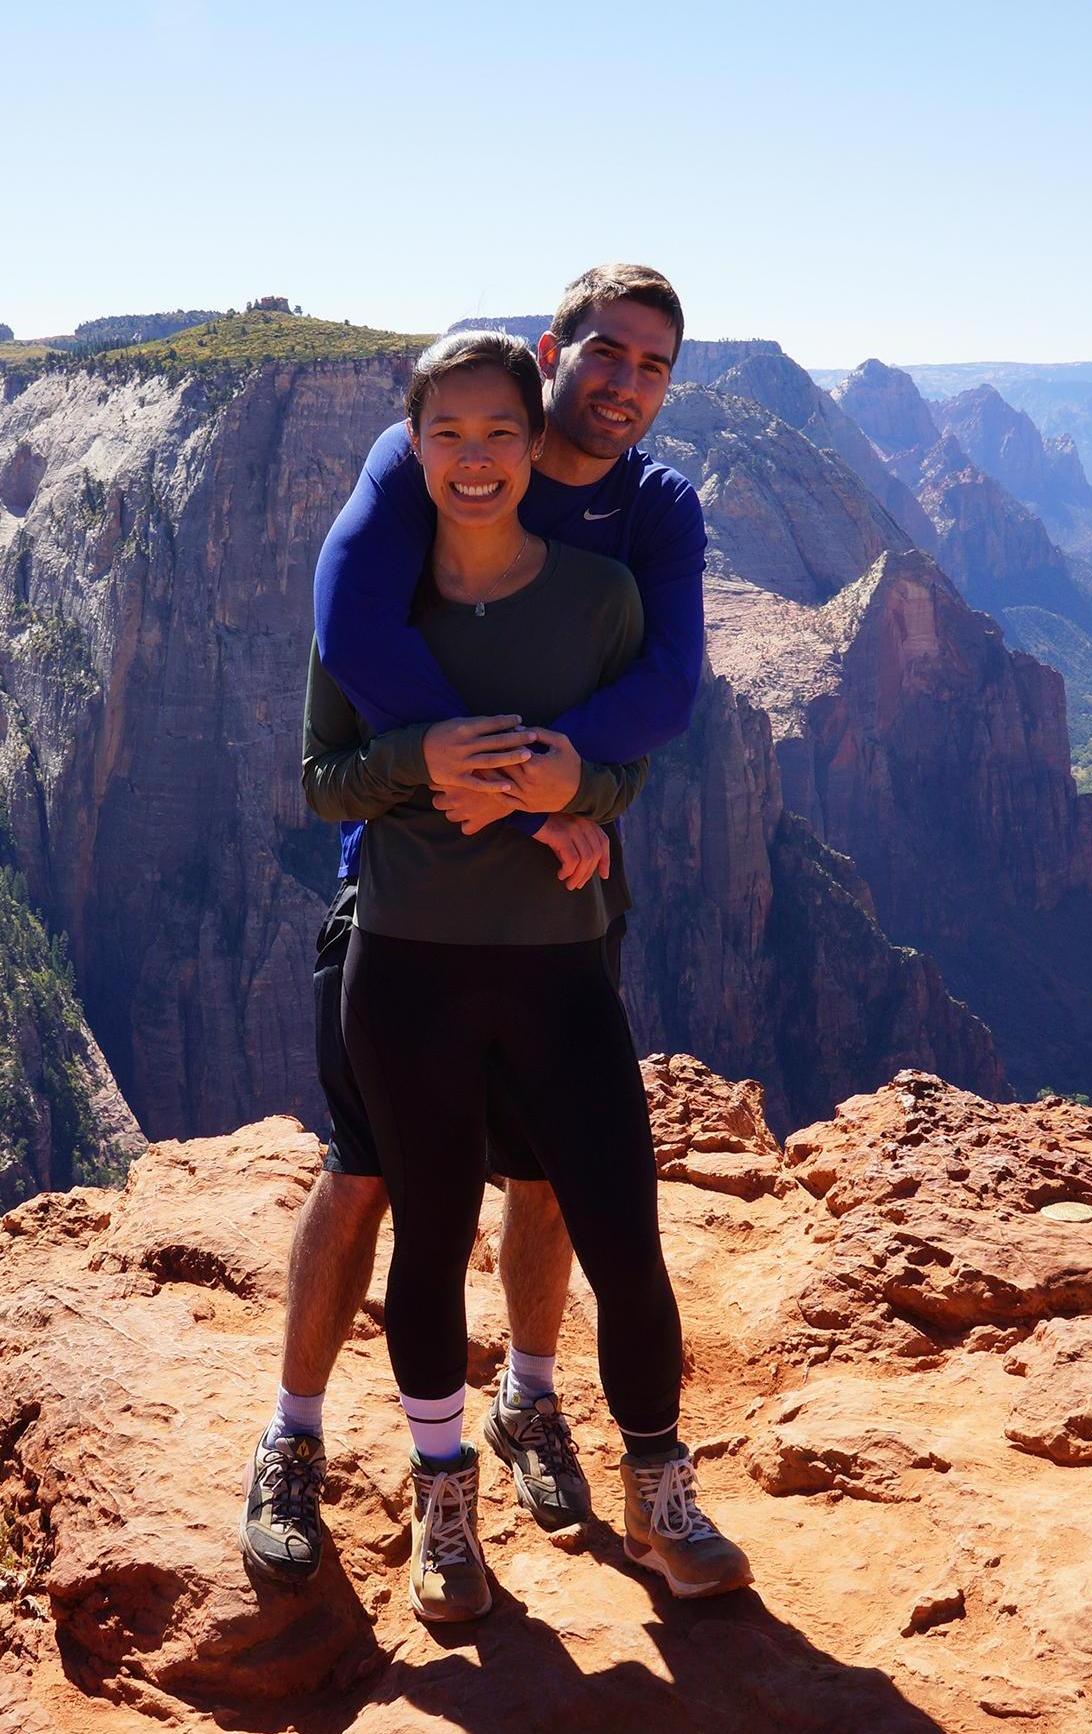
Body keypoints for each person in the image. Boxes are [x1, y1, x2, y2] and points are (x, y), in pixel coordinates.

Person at [241, 268, 721, 1597]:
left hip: (561, 918)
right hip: (400, 912)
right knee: (373, 1174)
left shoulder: (646, 520)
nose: (624, 383)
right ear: (551, 354)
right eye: (605, 353)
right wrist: (506, 801)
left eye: (654, 366)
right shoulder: (420, 475)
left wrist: (582, 793)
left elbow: (660, 693)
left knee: (553, 1176)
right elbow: (342, 656)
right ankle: (294, 1434)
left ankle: (527, 1399)